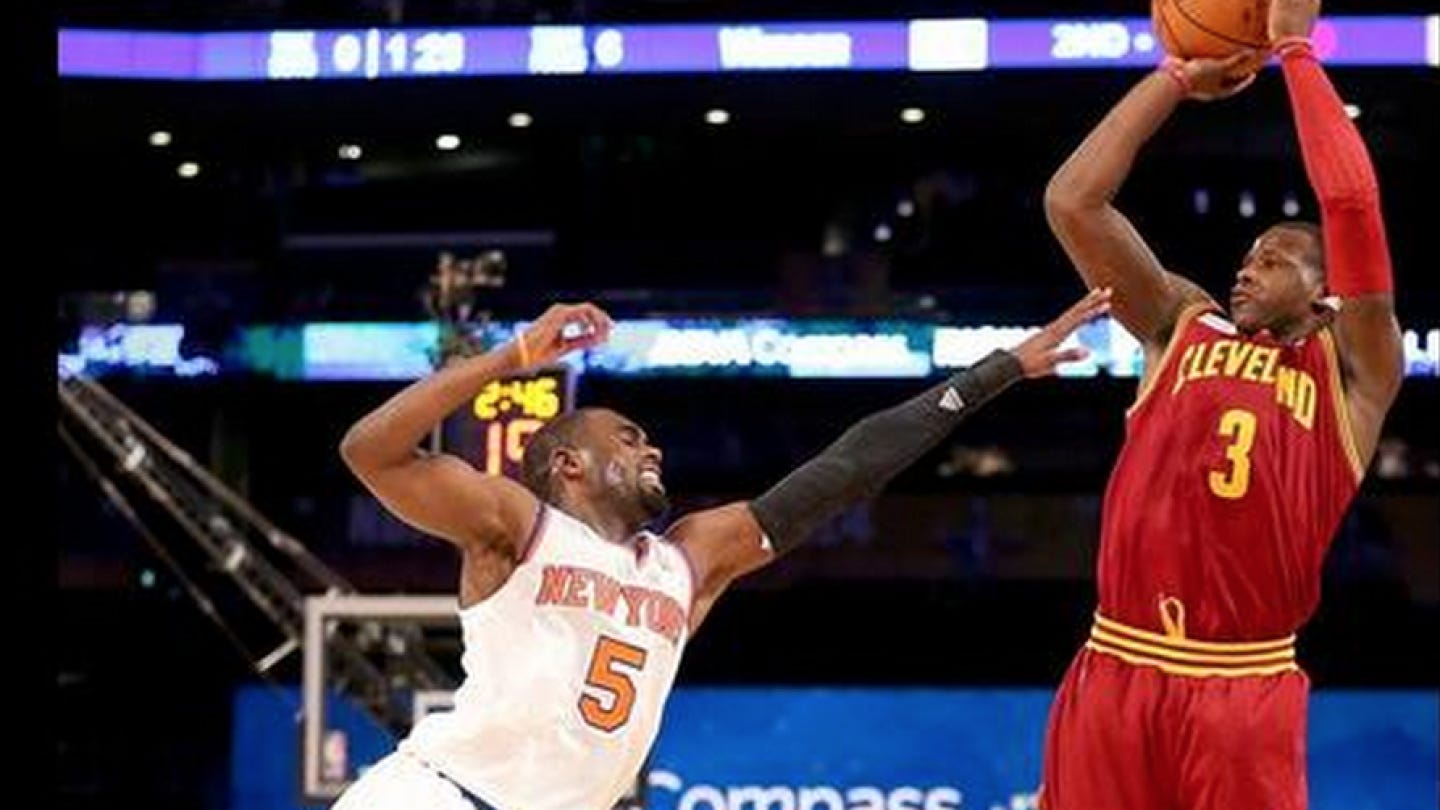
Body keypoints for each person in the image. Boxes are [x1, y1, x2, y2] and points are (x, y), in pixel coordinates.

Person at [331, 291, 1111, 810]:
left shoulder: (689, 560)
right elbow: (371, 451)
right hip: (438, 795)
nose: (652, 448)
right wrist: (511, 357)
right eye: (627, 438)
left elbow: (847, 467)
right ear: (567, 463)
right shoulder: (518, 525)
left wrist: (998, 370)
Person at [1037, 0, 1403, 807]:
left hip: (1242, 683)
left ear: (1325, 291)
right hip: (1115, 663)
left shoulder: (1353, 371)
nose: (1246, 269)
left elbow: (1351, 206)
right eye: (1246, 257)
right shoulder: (1179, 324)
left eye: (1273, 259)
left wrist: (1295, 52)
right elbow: (1073, 203)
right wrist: (1173, 78)